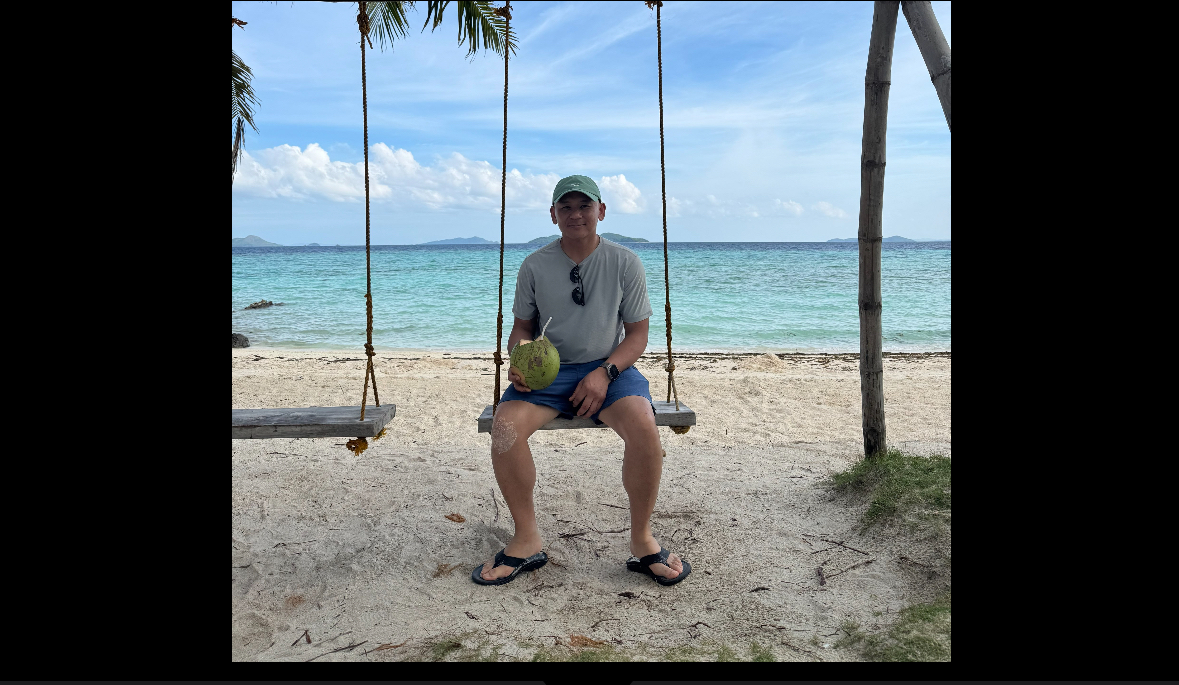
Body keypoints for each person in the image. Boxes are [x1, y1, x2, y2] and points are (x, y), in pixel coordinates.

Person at [473, 175, 690, 587]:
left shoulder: (625, 262)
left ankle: (643, 540)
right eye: (566, 207)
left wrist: (605, 373)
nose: (576, 214)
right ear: (553, 215)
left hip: (610, 367)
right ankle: (525, 538)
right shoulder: (535, 264)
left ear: (601, 211)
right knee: (504, 428)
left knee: (645, 427)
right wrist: (518, 360)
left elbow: (638, 336)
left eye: (584, 206)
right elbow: (521, 328)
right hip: (547, 371)